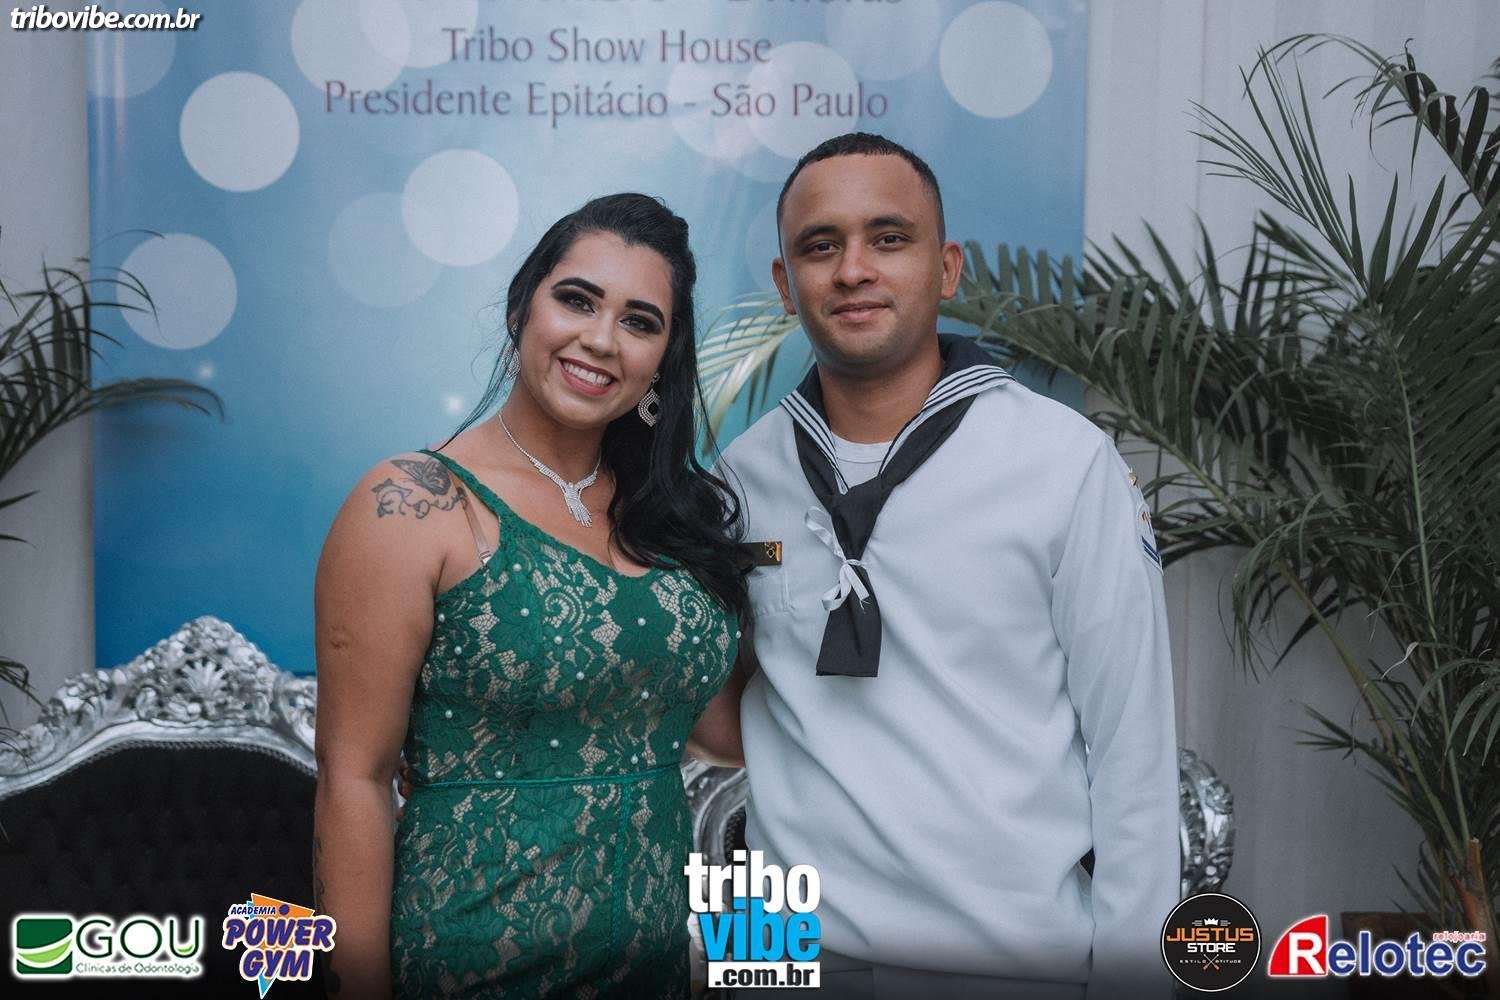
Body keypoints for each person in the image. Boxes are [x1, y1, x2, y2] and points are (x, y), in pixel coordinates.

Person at [719, 133, 1179, 998]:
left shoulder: (1063, 462)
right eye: (820, 246)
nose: (854, 269)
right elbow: (725, 709)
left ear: (947, 268)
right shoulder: (742, 477)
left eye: (889, 238)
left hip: (1011, 966)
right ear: (786, 283)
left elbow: (1133, 748)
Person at [313, 193, 750, 999]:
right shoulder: (413, 504)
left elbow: (719, 730)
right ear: (522, 308)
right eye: (577, 300)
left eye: (640, 321)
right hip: (470, 966)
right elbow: (355, 779)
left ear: (664, 357)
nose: (601, 339)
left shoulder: (671, 518)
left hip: (651, 972)